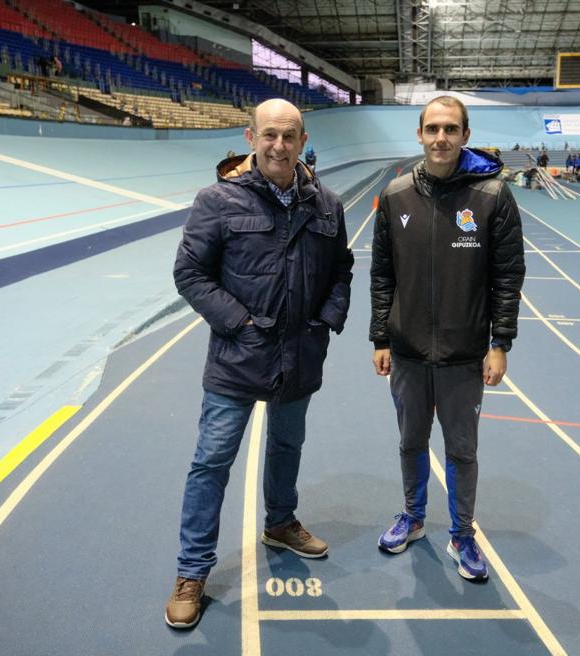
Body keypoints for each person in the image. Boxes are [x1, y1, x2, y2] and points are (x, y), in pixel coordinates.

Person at [167, 98, 354, 629]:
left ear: (301, 140)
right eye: (269, 135)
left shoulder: (327, 205)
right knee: (211, 464)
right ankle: (191, 570)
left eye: (289, 136)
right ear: (251, 138)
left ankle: (280, 522)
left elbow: (341, 269)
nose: (279, 145)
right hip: (237, 359)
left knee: (287, 445)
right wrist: (241, 325)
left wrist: (326, 319)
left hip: (299, 355)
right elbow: (190, 274)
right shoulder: (217, 201)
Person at [369, 96, 525, 581]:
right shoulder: (395, 196)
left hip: (464, 355)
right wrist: (380, 336)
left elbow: (508, 275)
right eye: (432, 128)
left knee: (461, 451)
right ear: (419, 134)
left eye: (450, 129)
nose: (441, 138)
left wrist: (501, 342)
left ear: (465, 134)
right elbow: (381, 274)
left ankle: (461, 534)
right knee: (410, 441)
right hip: (409, 351)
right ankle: (414, 518)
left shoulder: (493, 196)